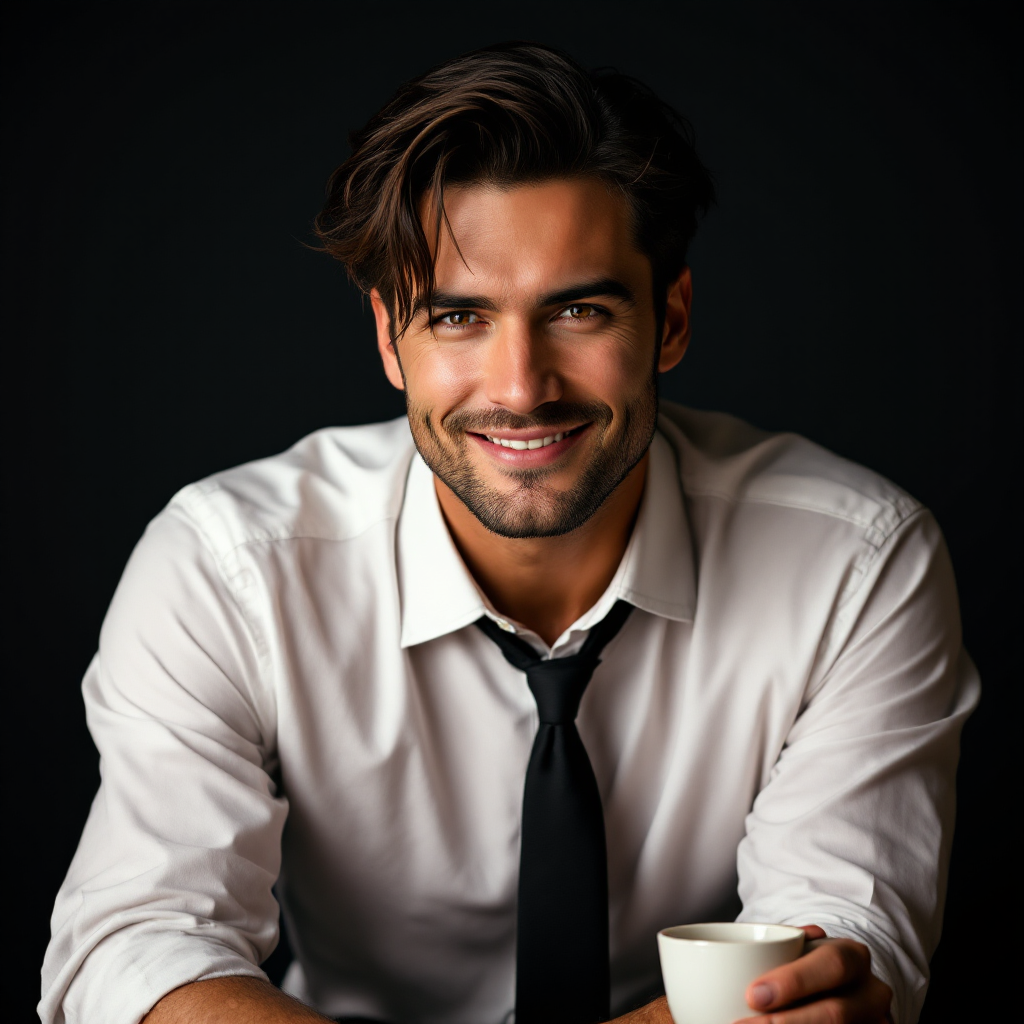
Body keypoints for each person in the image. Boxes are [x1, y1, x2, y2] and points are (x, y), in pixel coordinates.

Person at [40, 42, 978, 1024]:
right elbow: (136, 946)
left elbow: (823, 965)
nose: (521, 386)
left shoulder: (855, 564)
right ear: (387, 339)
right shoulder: (226, 569)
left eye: (576, 308)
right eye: (456, 317)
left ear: (670, 320)